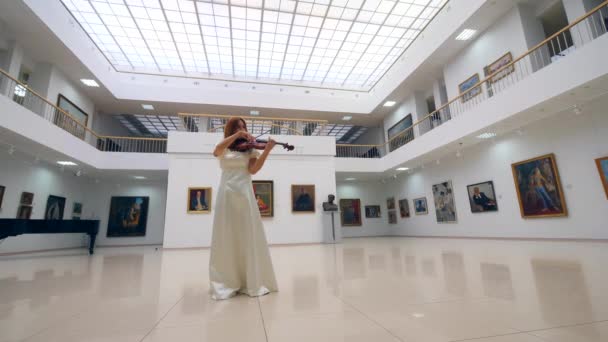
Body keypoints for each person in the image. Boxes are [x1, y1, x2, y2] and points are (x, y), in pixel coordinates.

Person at [209, 117, 278, 300]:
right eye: (238, 127)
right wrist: (237, 135)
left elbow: (253, 170)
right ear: (231, 129)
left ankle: (250, 281)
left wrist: (268, 150)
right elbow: (216, 151)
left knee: (247, 234)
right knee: (226, 235)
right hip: (226, 193)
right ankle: (226, 281)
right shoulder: (225, 146)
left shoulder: (250, 148)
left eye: (243, 126)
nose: (242, 129)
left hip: (244, 193)